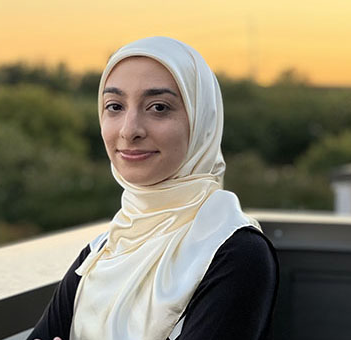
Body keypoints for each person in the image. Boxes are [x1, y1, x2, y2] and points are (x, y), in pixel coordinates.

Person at [27, 36, 278, 340]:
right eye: (115, 106)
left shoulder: (236, 253)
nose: (130, 130)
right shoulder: (104, 250)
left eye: (159, 107)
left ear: (202, 122)